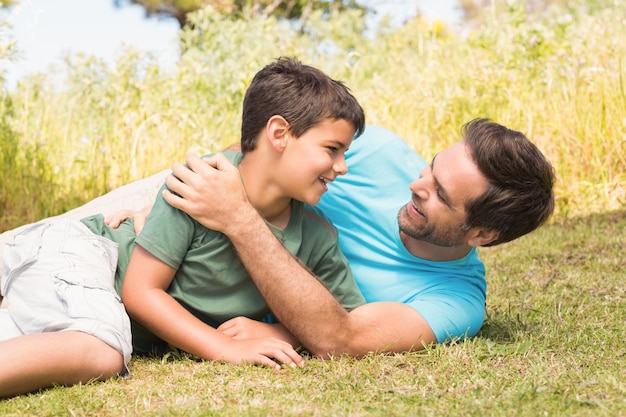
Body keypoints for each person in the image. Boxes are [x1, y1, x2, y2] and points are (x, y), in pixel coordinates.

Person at [0, 56, 367, 397]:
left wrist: (279, 331)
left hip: (81, 306)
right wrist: (223, 347)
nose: (341, 167)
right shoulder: (199, 185)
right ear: (279, 133)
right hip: (85, 257)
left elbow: (347, 320)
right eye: (332, 149)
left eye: (344, 153)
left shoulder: (316, 234)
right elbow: (141, 292)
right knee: (99, 354)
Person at [149, 118, 556, 357]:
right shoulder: (378, 150)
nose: (418, 184)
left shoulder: (455, 301)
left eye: (442, 195)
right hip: (184, 204)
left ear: (482, 234)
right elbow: (263, 157)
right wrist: (172, 206)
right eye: (431, 168)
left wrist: (288, 333)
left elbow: (343, 338)